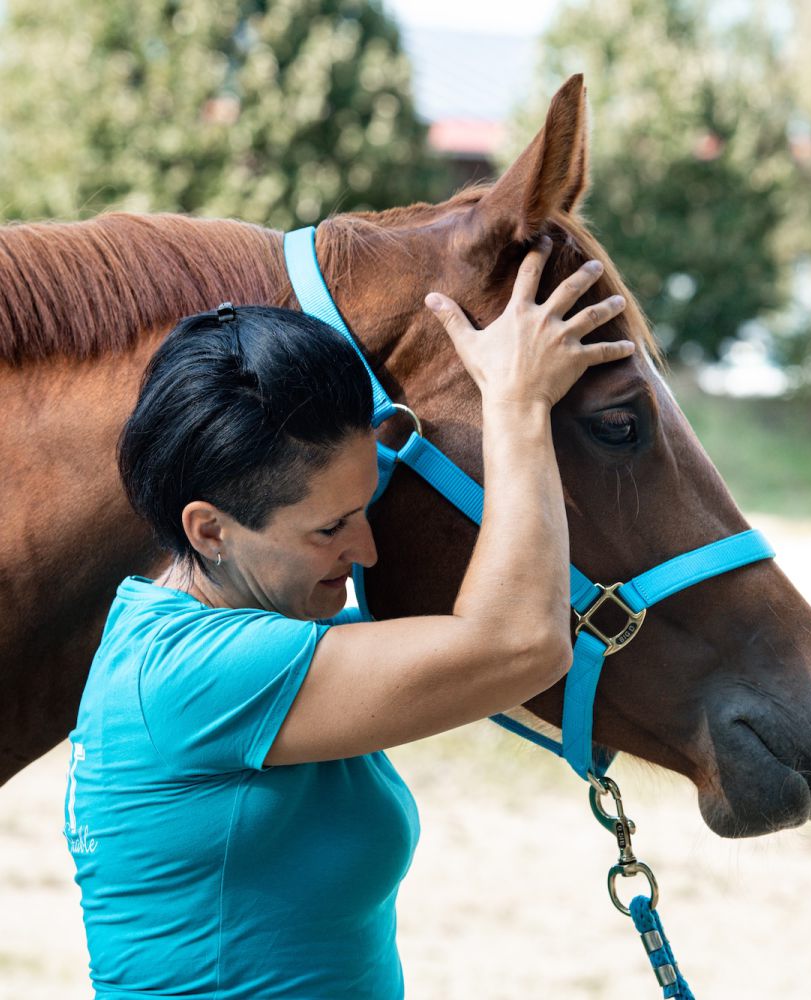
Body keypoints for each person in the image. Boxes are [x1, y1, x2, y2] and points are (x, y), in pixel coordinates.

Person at [64, 237, 633, 999]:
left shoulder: (201, 619)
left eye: (364, 508)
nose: (364, 548)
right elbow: (521, 644)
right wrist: (516, 401)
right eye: (330, 529)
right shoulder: (195, 676)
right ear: (210, 531)